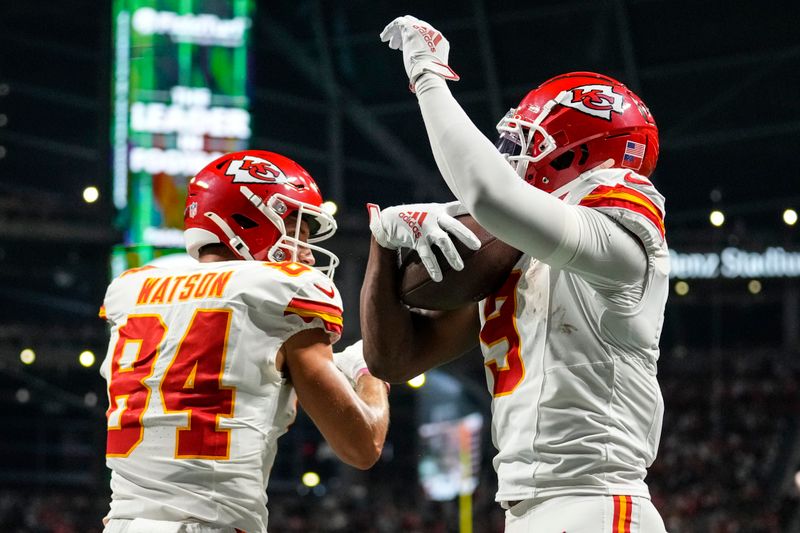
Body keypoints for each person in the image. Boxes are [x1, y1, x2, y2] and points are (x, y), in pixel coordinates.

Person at [362, 15, 670, 532]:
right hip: (526, 508)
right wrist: (382, 240)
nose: (513, 156)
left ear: (580, 150)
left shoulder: (623, 237)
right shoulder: (518, 257)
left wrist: (427, 74)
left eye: (528, 141)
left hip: (595, 501)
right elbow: (394, 360)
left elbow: (488, 194)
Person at [98, 150, 390, 533]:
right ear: (244, 218)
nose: (304, 251)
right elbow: (362, 445)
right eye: (296, 231)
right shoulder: (280, 291)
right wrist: (368, 372)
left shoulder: (131, 290)